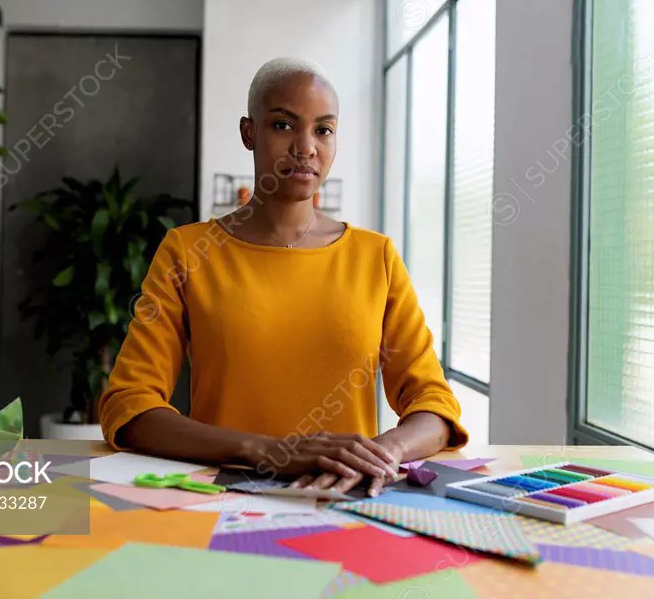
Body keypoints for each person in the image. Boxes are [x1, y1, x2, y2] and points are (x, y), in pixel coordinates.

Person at [99, 57, 468, 496]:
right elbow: (129, 406)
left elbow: (434, 405)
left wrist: (381, 453)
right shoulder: (187, 252)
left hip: (348, 501)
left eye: (323, 130)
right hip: (221, 500)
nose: (306, 147)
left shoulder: (376, 258)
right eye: (283, 126)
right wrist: (269, 450)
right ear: (249, 133)